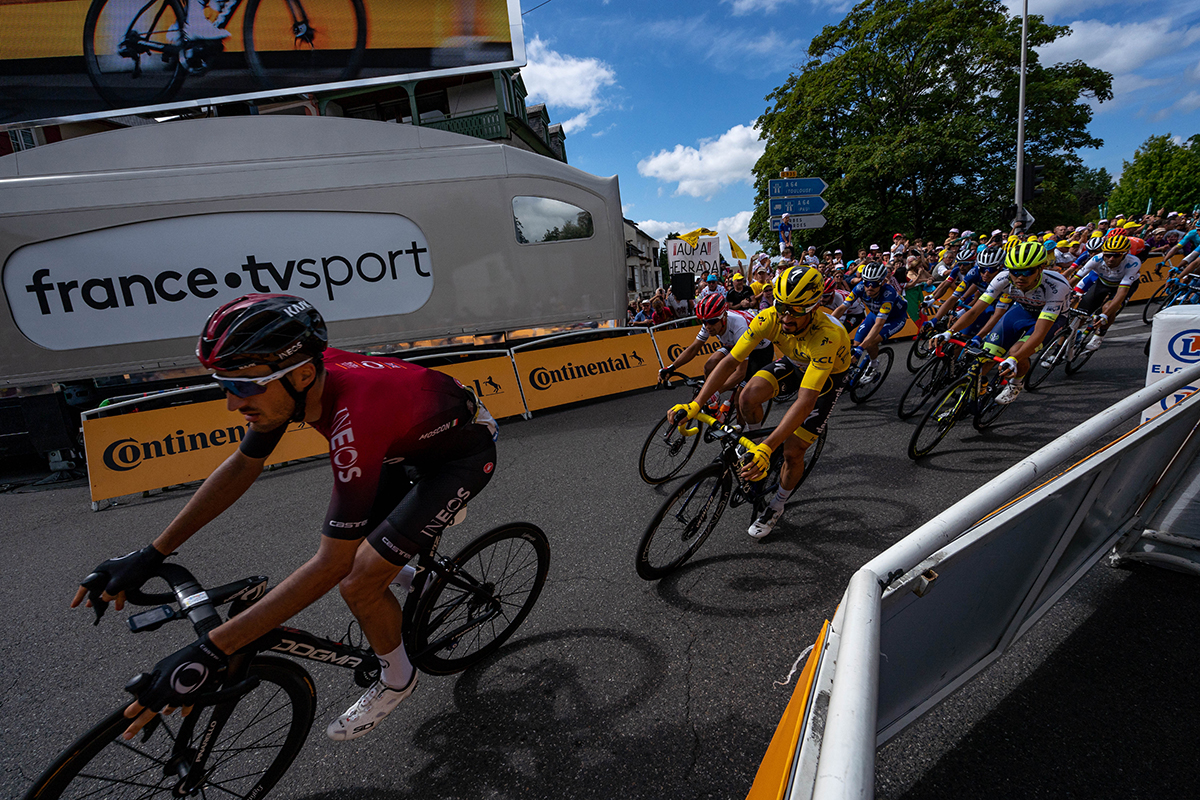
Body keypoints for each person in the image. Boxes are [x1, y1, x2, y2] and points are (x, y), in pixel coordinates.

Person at [71, 294, 500, 742]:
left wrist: (213, 649)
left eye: (245, 387)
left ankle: (397, 677)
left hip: (458, 456)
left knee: (356, 579)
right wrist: (151, 553)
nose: (233, 405)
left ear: (302, 375)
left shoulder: (353, 421)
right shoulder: (292, 382)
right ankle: (423, 580)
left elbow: (329, 566)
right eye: (226, 385)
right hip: (405, 440)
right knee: (358, 554)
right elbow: (242, 465)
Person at [670, 266, 850, 539]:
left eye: (797, 310)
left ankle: (777, 505)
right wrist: (696, 405)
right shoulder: (768, 318)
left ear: (813, 307)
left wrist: (769, 447)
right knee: (747, 396)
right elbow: (730, 361)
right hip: (794, 361)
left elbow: (805, 399)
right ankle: (754, 444)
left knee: (793, 450)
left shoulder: (827, 335)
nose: (787, 316)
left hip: (826, 379)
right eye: (782, 306)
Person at [934, 241, 1072, 405]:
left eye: (1028, 271)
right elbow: (974, 311)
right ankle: (967, 400)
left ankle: (1016, 383)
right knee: (984, 357)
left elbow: (1039, 333)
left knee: (1016, 351)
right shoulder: (1003, 278)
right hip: (1022, 309)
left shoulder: (1056, 286)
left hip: (1051, 318)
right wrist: (949, 332)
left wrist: (1014, 359)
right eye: (1015, 271)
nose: (1020, 277)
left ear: (1040, 269)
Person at [658, 293, 774, 414]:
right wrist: (671, 367)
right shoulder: (710, 322)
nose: (708, 326)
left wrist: (715, 391)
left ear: (724, 317)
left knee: (740, 398)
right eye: (704, 322)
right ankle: (714, 404)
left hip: (759, 351)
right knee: (709, 365)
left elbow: (740, 373)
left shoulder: (739, 325)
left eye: (712, 321)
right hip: (733, 344)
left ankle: (744, 429)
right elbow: (694, 348)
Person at [831, 261, 908, 380]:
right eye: (867, 282)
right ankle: (852, 371)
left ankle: (874, 365)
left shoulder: (889, 294)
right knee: (856, 344)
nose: (870, 287)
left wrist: (861, 349)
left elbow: (879, 324)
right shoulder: (860, 287)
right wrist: (828, 323)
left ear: (882, 282)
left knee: (870, 342)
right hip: (875, 314)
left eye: (874, 283)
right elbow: (842, 308)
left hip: (895, 319)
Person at [1072, 234, 1141, 352]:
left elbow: (1122, 292)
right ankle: (1066, 341)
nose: (1111, 259)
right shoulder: (1097, 258)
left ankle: (1099, 335)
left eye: (1116, 255)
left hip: (1121, 286)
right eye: (1107, 255)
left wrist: (1105, 314)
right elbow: (1075, 279)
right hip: (1102, 283)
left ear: (1125, 254)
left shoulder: (1133, 263)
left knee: (1108, 308)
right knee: (1081, 313)